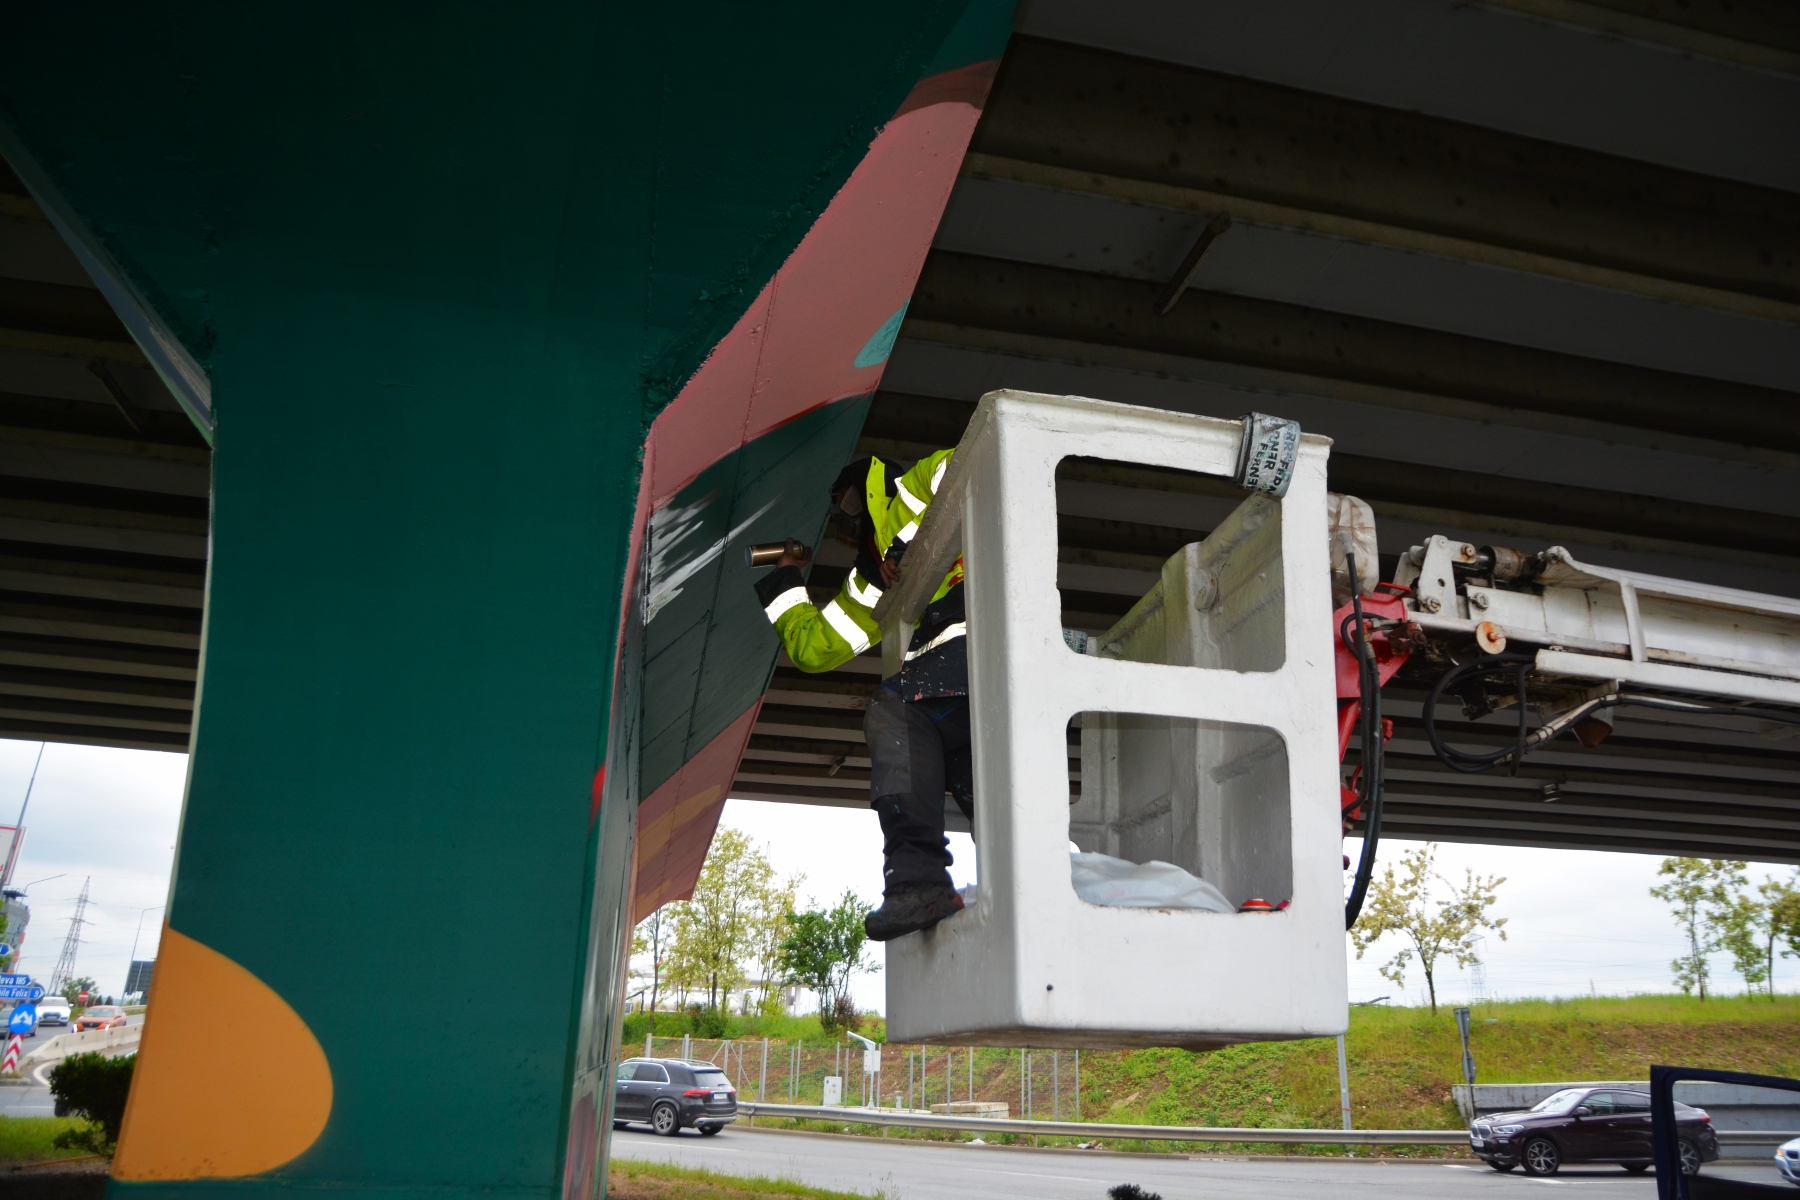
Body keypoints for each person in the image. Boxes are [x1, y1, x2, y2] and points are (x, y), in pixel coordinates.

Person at [752, 453, 970, 941]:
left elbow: (965, 461)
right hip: (958, 690)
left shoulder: (912, 487)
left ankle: (917, 881)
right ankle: (1008, 881)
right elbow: (815, 649)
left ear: (861, 492)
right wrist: (788, 576)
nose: (844, 524)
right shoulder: (873, 578)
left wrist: (906, 546)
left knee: (894, 710)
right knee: (974, 780)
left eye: (844, 508)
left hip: (985, 655)